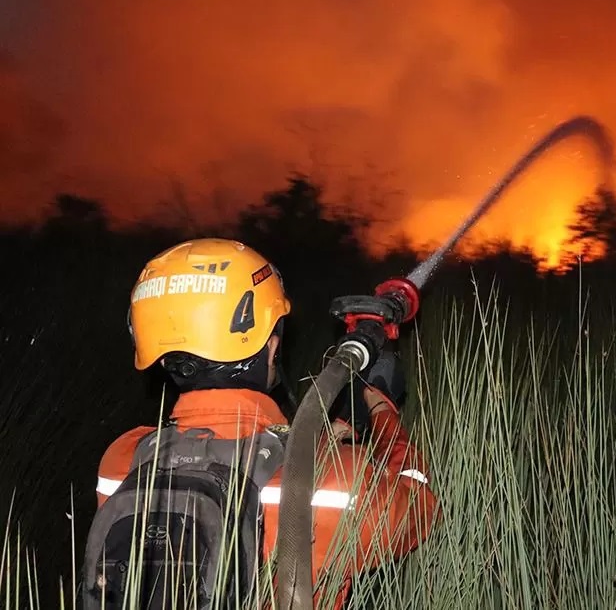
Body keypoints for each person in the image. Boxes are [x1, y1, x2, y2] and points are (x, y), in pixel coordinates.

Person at [76, 238, 438, 609]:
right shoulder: (335, 482)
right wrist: (382, 408)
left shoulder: (122, 462)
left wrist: (328, 434)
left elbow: (230, 452)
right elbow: (420, 509)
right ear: (270, 346)